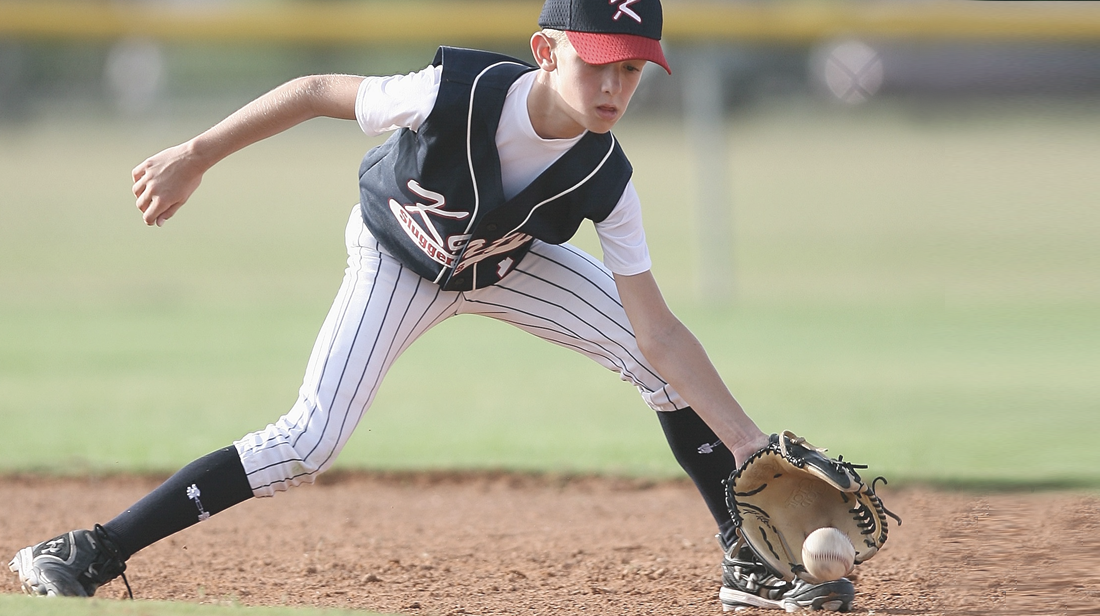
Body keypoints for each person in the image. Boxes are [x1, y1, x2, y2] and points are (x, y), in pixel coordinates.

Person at [8, 0, 855, 611]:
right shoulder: (455, 94)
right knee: (309, 440)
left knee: (649, 362)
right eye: (599, 60)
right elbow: (312, 90)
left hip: (507, 265)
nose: (615, 86)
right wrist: (195, 153)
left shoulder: (607, 174)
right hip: (394, 258)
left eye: (632, 68)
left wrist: (751, 443)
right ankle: (88, 550)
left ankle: (747, 561)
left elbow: (659, 329)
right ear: (546, 50)